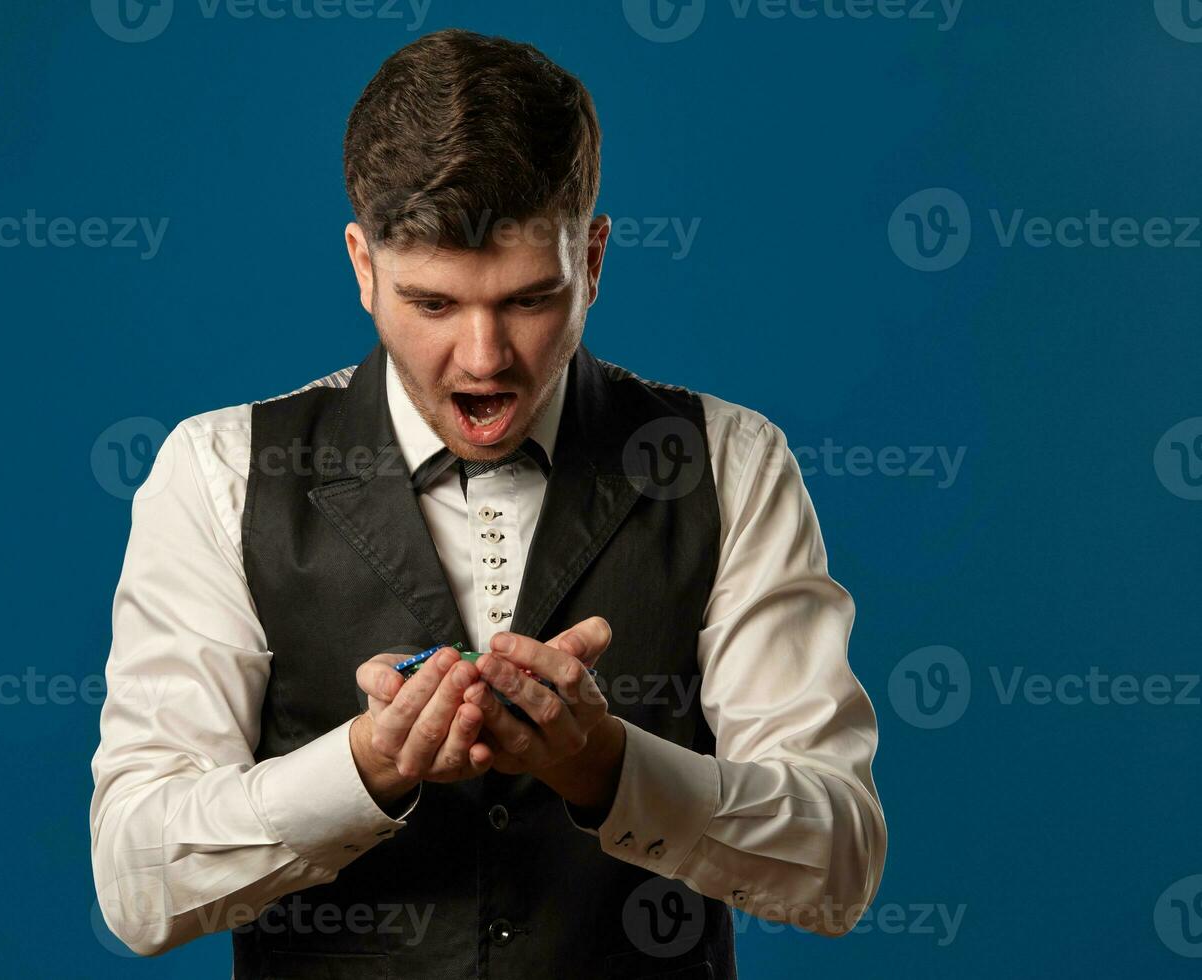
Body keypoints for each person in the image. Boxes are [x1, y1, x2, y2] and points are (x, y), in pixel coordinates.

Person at [90, 28, 886, 978]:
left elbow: (838, 865)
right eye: (432, 304)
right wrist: (363, 769)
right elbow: (137, 882)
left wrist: (607, 770)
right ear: (362, 266)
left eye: (528, 299)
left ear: (592, 261)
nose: (482, 360)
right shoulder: (216, 473)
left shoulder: (730, 463)